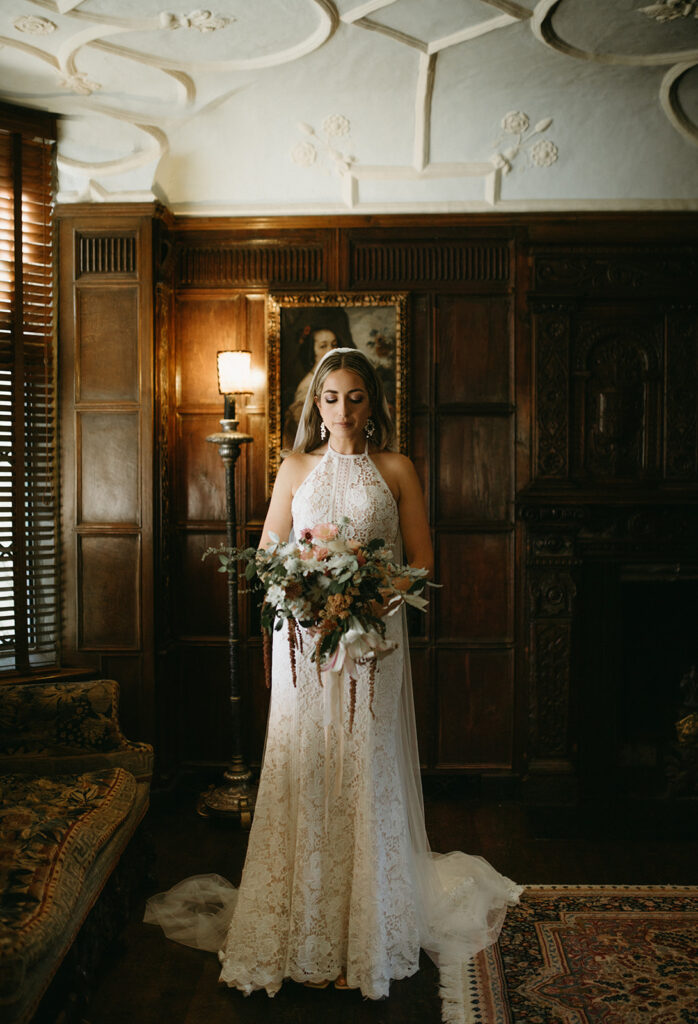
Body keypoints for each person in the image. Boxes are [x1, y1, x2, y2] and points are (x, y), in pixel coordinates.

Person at [145, 348, 521, 1006]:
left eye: (354, 397)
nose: (342, 409)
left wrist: (377, 596)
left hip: (375, 645)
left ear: (373, 403)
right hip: (306, 649)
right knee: (309, 772)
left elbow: (422, 562)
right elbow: (267, 555)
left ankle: (365, 936)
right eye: (330, 398)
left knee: (365, 773)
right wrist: (306, 597)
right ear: (313, 405)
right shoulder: (295, 467)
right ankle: (301, 934)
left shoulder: (396, 469)